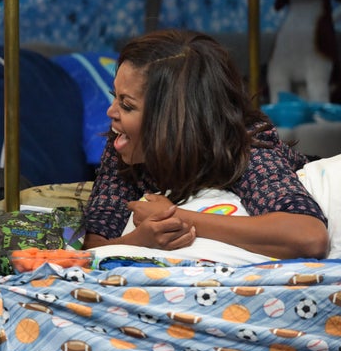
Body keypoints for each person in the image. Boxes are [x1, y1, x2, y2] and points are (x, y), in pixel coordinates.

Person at [82, 29, 329, 261]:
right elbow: (93, 245)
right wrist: (138, 241)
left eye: (126, 105)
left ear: (173, 120)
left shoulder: (245, 148)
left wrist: (177, 218)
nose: (110, 111)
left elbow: (308, 236)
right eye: (115, 96)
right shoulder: (123, 149)